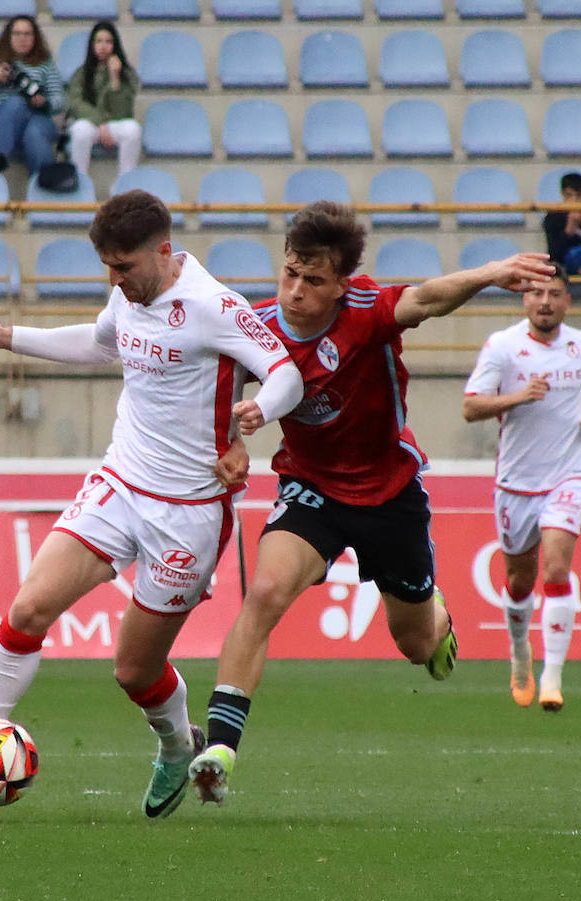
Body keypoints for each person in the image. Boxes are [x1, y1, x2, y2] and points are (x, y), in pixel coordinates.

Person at [0, 189, 305, 819]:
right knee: (27, 608)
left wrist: (261, 409)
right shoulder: (128, 293)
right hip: (120, 483)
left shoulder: (214, 306)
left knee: (133, 671)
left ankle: (178, 748)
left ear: (163, 251)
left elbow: (284, 369)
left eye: (124, 267)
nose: (115, 280)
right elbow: (102, 343)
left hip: (188, 512)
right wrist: (7, 337)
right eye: (108, 267)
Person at [187, 201, 556, 805]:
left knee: (416, 645)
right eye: (289, 274)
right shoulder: (256, 330)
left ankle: (437, 614)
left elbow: (430, 298)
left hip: (390, 493)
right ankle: (222, 749)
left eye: (313, 281)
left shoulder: (368, 311)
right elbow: (211, 394)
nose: (295, 291)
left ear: (341, 286)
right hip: (311, 490)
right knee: (265, 593)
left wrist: (489, 272)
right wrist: (227, 444)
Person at [463, 263, 581, 713]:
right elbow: (471, 408)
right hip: (515, 483)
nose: (545, 301)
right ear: (524, 299)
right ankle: (519, 652)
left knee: (555, 571)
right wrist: (517, 397)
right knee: (518, 580)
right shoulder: (503, 347)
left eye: (555, 294)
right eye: (537, 293)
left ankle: (553, 678)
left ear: (567, 301)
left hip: (567, 476)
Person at [0, 15, 63, 176]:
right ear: (9, 36)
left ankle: (40, 188)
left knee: (35, 131)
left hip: (36, 115)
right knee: (16, 102)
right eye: (17, 34)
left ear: (35, 37)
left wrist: (44, 103)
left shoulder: (45, 61)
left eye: (28, 34)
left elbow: (59, 99)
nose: (23, 39)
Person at [65, 21, 141, 182]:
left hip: (115, 124)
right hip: (91, 124)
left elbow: (124, 112)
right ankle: (80, 181)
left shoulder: (126, 74)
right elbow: (76, 103)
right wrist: (100, 123)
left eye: (108, 41)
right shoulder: (81, 72)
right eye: (99, 41)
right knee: (79, 129)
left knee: (133, 129)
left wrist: (115, 78)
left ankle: (125, 184)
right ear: (92, 45)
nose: (103, 46)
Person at [542, 172, 581, 339]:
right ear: (563, 196)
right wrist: (570, 228)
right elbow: (553, 254)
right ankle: (554, 337)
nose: (574, 201)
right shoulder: (553, 217)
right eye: (569, 196)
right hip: (564, 264)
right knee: (550, 284)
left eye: (578, 196)